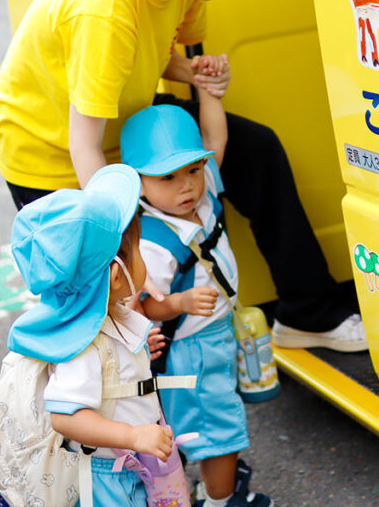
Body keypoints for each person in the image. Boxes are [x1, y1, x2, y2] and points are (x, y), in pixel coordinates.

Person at [0, 0, 367, 352]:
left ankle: (307, 313)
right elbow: (84, 144)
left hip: (123, 121)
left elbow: (144, 46)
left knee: (254, 151)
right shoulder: (105, 4)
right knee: (107, 295)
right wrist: (123, 242)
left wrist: (194, 73)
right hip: (51, 149)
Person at [122, 62, 271, 507]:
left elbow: (216, 139)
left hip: (215, 334)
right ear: (138, 184)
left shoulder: (202, 198)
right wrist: (179, 302)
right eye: (167, 177)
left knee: (208, 421)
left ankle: (210, 485)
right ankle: (222, 500)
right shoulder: (153, 241)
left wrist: (209, 91)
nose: (185, 186)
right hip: (193, 347)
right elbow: (143, 306)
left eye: (191, 170)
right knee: (217, 429)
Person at [6, 164, 171, 506]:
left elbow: (109, 379)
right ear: (116, 275)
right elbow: (66, 417)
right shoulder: (81, 347)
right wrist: (133, 435)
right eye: (139, 249)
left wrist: (133, 365)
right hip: (108, 478)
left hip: (129, 463)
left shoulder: (107, 319)